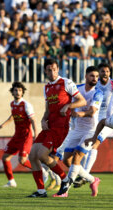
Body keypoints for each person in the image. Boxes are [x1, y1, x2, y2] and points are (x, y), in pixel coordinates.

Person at [27, 59, 86, 198]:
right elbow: (48, 109)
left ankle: (65, 179)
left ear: (58, 69)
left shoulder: (66, 82)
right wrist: (42, 119)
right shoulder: (46, 87)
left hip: (61, 126)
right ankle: (41, 191)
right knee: (32, 155)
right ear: (45, 71)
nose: (52, 72)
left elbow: (82, 100)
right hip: (49, 125)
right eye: (49, 70)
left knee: (42, 155)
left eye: (54, 69)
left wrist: (68, 106)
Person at [52, 66, 102, 197]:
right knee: (66, 161)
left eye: (97, 76)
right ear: (85, 76)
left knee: (77, 158)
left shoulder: (98, 93)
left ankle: (65, 191)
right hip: (76, 130)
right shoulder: (77, 89)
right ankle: (93, 180)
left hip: (91, 130)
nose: (95, 79)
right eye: (92, 76)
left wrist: (78, 114)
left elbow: (92, 112)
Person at [0, 82, 37, 188]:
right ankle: (11, 181)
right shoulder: (12, 104)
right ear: (12, 92)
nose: (17, 92)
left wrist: (36, 134)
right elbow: (12, 116)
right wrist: (2, 125)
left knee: (22, 160)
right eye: (15, 90)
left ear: (22, 92)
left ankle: (41, 169)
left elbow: (33, 120)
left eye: (19, 90)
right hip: (16, 136)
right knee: (5, 158)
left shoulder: (26, 105)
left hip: (26, 136)